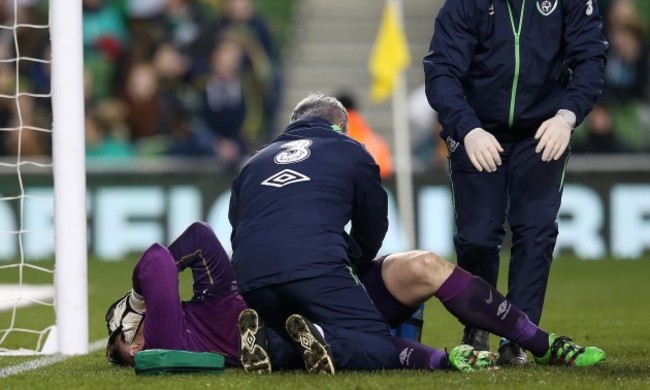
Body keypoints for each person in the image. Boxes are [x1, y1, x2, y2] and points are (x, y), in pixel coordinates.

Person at [228, 93, 605, 373]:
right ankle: (325, 341)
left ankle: (274, 344)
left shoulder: (253, 163)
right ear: (341, 125)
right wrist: (352, 265)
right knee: (376, 344)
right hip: (317, 272)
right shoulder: (351, 150)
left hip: (254, 283)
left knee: (424, 265)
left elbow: (239, 231)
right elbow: (373, 227)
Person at [105, 221, 605, 371]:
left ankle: (538, 341)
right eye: (123, 340)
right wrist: (139, 305)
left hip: (296, 303)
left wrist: (136, 301)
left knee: (421, 268)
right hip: (290, 331)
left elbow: (195, 237)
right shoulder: (164, 347)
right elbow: (155, 262)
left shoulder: (209, 301)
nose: (132, 338)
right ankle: (446, 360)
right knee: (321, 341)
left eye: (129, 330)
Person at [423, 0, 609, 365]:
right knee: (477, 236)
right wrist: (467, 127)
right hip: (477, 129)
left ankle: (518, 338)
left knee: (536, 230)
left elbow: (590, 57)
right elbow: (442, 70)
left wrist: (567, 116)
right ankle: (476, 326)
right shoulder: (465, 4)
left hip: (542, 129)